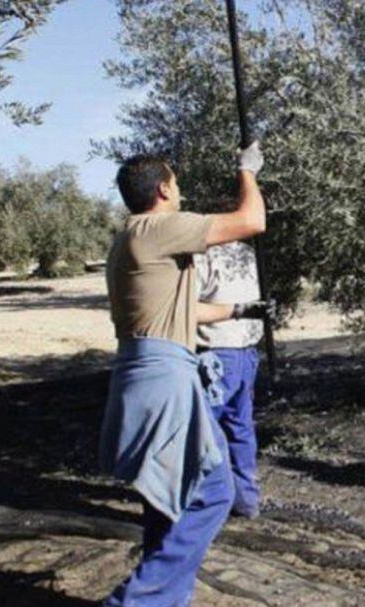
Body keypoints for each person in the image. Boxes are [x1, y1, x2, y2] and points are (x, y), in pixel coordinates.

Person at [99, 143, 273, 606]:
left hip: (139, 372)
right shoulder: (161, 227)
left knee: (166, 493)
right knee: (214, 491)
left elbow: (180, 309)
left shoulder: (128, 239)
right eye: (175, 183)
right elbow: (252, 220)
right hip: (165, 378)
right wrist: (247, 171)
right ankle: (137, 601)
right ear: (162, 188)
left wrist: (239, 309)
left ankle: (164, 600)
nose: (179, 191)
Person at [195, 240, 266, 519]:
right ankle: (246, 500)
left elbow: (187, 307)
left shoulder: (202, 255)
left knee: (206, 429)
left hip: (215, 353)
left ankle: (210, 502)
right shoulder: (248, 252)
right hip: (246, 351)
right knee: (240, 427)